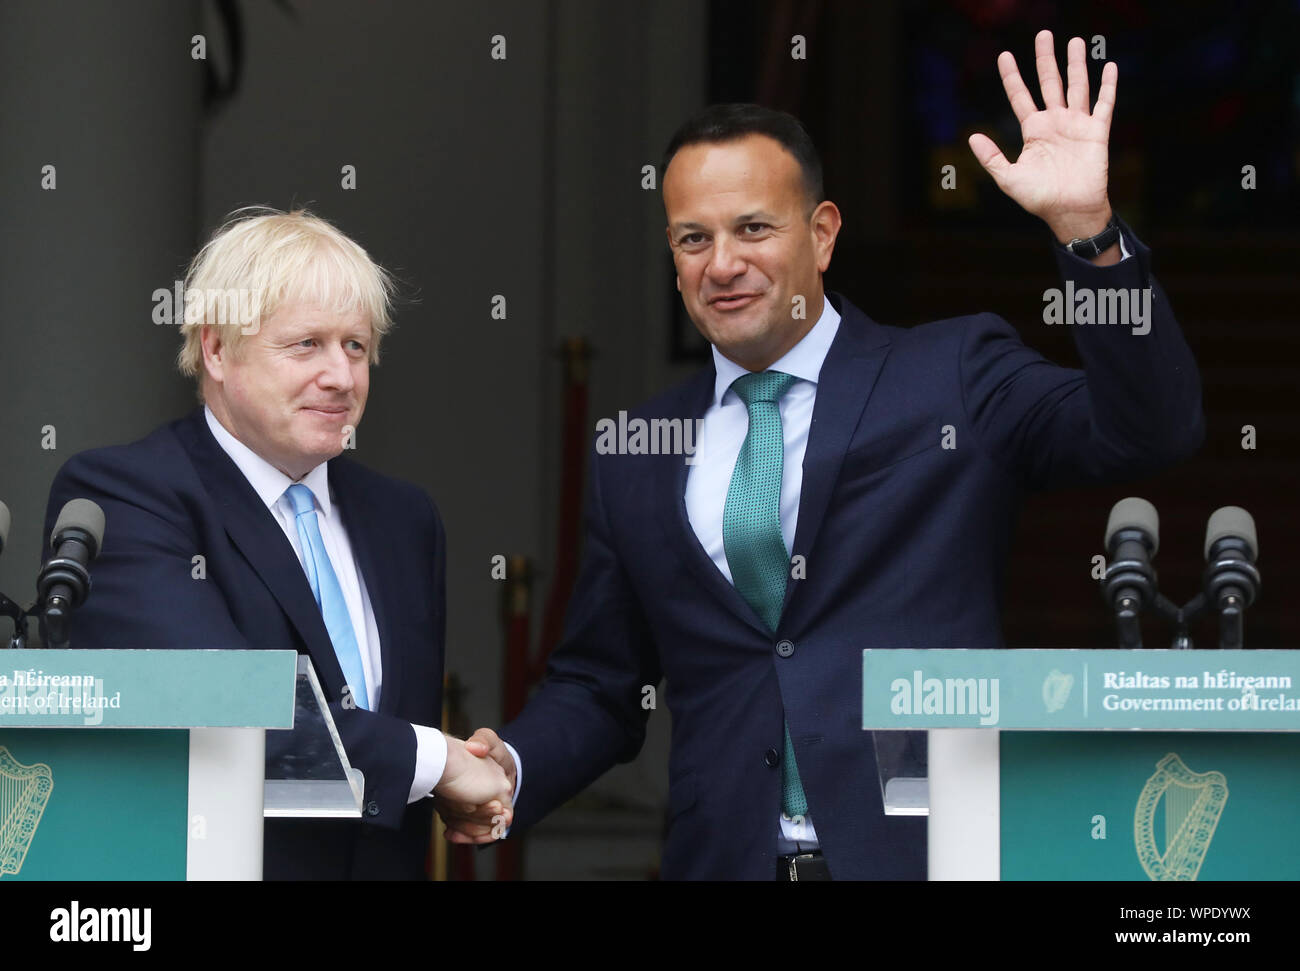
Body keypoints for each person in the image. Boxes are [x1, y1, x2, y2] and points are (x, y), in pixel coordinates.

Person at [439, 32, 1204, 879]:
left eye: (753, 228)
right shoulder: (637, 452)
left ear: (824, 233)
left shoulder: (951, 373)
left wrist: (1088, 234)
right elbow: (599, 684)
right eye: (693, 239)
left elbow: (1151, 429)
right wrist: (508, 765)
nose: (722, 264)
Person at [44, 207, 512, 879]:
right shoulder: (127, 495)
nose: (341, 376)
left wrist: (448, 776)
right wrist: (438, 762)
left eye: (355, 346)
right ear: (215, 350)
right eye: (306, 345)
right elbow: (225, 709)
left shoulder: (404, 518)